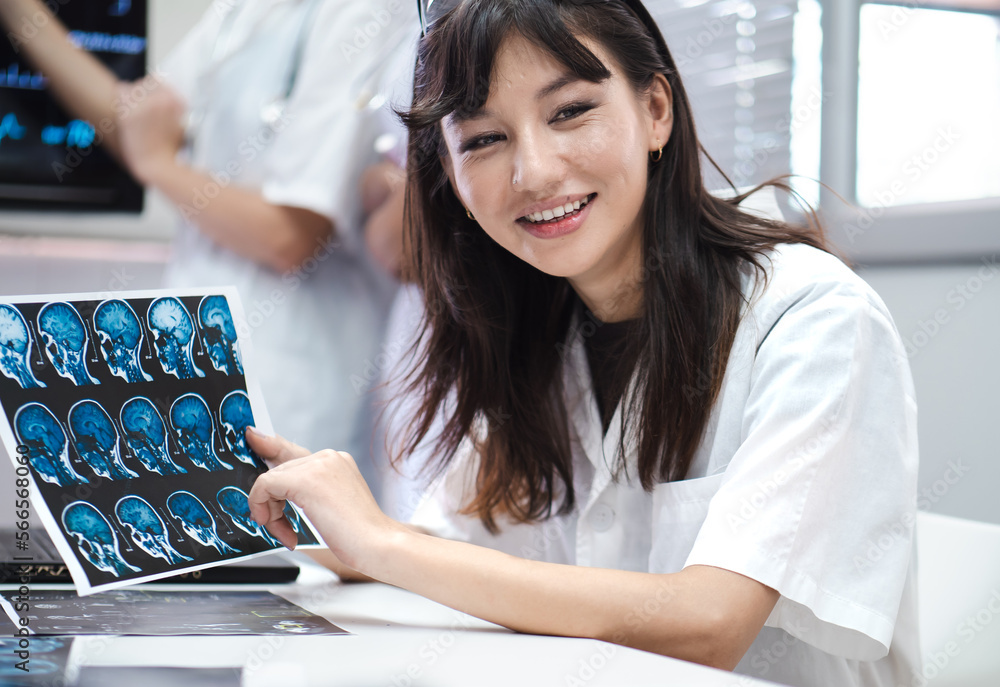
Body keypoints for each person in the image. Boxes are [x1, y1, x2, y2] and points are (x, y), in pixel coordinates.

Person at [244, 1, 919, 685]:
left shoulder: (813, 316)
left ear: (656, 109)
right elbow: (459, 553)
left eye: (568, 111)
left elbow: (710, 622)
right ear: (450, 172)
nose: (533, 172)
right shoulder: (537, 326)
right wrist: (290, 525)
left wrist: (383, 542)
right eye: (483, 139)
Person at [0, 0, 406, 487]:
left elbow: (289, 237)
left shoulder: (363, 13)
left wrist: (160, 167)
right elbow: (136, 118)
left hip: (291, 384)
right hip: (194, 359)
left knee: (289, 548)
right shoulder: (242, 9)